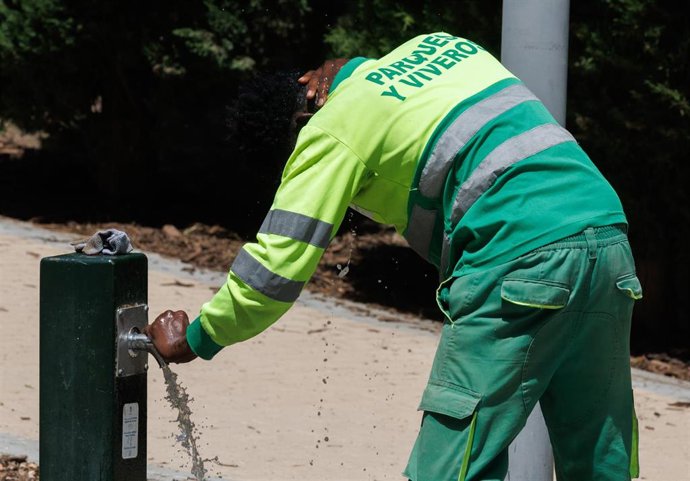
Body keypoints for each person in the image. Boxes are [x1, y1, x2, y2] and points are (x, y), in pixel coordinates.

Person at [146, 32, 642, 481]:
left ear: (303, 120)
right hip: (608, 240)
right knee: (602, 458)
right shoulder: (438, 46)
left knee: (452, 466)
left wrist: (196, 337)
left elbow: (276, 269)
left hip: (519, 258)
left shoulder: (330, 129)